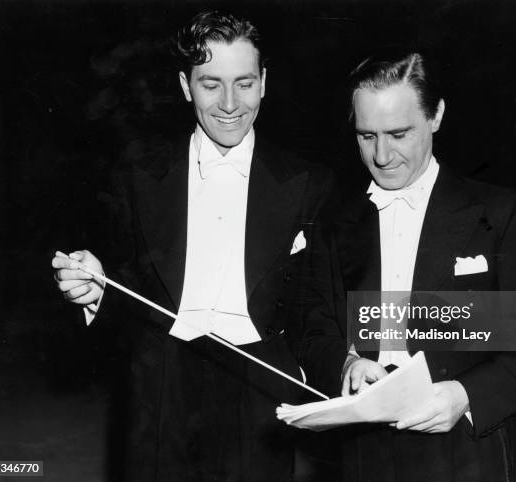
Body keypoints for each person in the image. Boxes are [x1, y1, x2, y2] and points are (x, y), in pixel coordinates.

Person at [51, 10, 335, 482]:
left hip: (261, 386)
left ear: (264, 82)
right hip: (162, 383)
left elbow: (316, 305)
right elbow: (126, 282)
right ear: (186, 86)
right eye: (210, 84)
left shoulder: (310, 183)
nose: (229, 103)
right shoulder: (138, 175)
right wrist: (95, 285)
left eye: (244, 83)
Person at [297, 51, 516, 482]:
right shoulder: (336, 219)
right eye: (367, 136)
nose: (382, 155)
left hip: (465, 445)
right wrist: (345, 364)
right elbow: (314, 322)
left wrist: (466, 394)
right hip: (363, 448)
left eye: (399, 133)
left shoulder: (501, 211)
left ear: (436, 116)